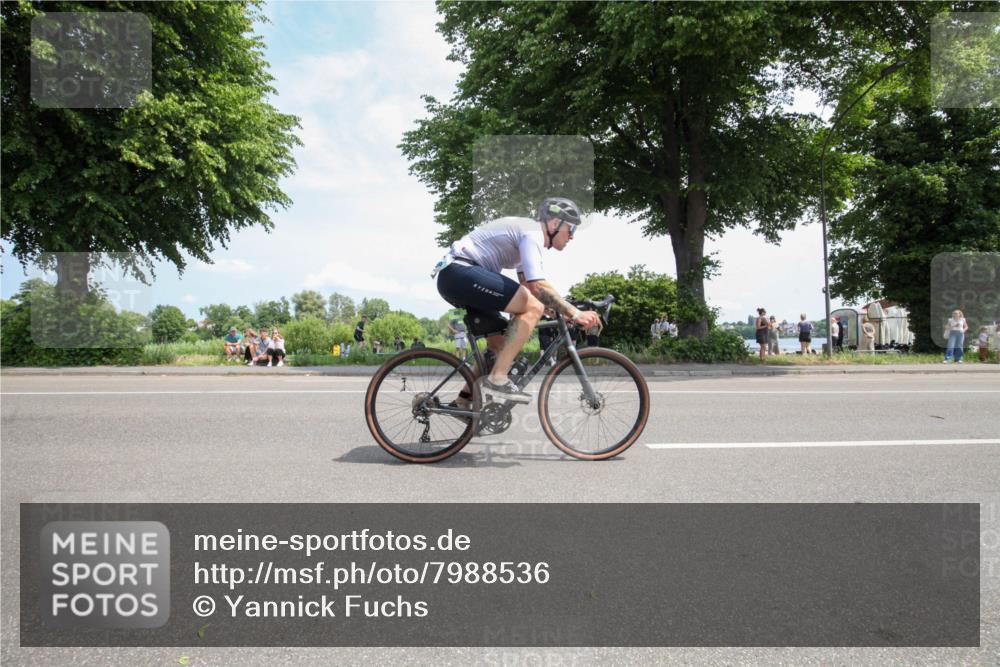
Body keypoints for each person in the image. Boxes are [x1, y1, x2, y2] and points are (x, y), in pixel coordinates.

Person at [433, 196, 601, 403]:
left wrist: (556, 310)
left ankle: (464, 400)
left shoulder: (527, 238)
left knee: (499, 346)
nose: (572, 237)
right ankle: (498, 378)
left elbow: (527, 286)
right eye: (572, 229)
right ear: (556, 223)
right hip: (461, 272)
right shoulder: (533, 234)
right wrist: (575, 313)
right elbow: (537, 287)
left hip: (457, 277)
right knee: (532, 307)